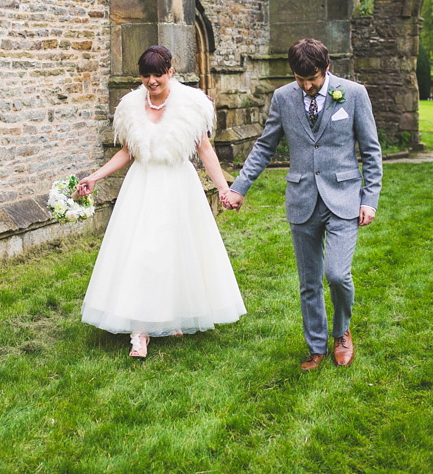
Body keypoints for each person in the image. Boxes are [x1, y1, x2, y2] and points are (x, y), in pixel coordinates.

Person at [75, 45, 246, 359]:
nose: (151, 81)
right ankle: (139, 329)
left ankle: (170, 316)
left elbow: (205, 150)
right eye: (145, 75)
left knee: (175, 251)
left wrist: (223, 188)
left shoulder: (191, 106)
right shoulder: (131, 106)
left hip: (178, 185)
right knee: (140, 251)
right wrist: (95, 177)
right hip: (142, 186)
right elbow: (127, 152)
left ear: (170, 72)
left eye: (157, 74)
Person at [223, 38, 382, 371]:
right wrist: (240, 187)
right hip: (302, 199)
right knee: (309, 281)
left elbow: (370, 150)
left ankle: (341, 333)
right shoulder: (283, 98)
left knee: (337, 275)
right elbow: (265, 147)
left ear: (327, 69)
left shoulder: (353, 94)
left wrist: (369, 199)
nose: (307, 86)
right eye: (300, 79)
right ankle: (315, 346)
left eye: (313, 79)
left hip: (344, 198)